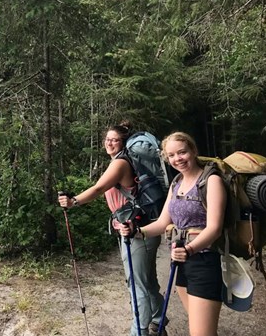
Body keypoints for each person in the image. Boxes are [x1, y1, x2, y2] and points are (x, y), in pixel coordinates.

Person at [58, 122, 166, 336]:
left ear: (123, 143)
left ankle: (139, 330)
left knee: (137, 284)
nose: (109, 143)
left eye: (114, 139)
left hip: (136, 231)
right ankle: (158, 322)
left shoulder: (120, 164)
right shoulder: (125, 162)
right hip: (143, 227)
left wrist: (74, 202)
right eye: (107, 139)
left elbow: (99, 188)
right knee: (147, 279)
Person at [120, 132, 226, 336]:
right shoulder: (177, 182)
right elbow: (162, 223)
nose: (178, 159)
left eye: (182, 152)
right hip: (182, 264)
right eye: (171, 155)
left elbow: (214, 228)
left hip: (205, 262)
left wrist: (190, 249)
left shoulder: (211, 181)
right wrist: (137, 231)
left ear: (193, 151)